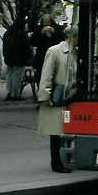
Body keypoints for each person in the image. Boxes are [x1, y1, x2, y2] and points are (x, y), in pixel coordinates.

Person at [38, 26, 78, 173]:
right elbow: (47, 74)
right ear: (71, 37)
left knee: (64, 130)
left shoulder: (74, 52)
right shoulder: (55, 51)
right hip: (56, 94)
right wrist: (45, 95)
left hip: (68, 95)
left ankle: (64, 160)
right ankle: (56, 162)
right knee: (55, 131)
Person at [3, 19, 32, 100]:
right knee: (17, 77)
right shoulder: (22, 34)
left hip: (9, 59)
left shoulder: (7, 33)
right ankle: (15, 94)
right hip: (19, 60)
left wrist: (6, 56)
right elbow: (26, 48)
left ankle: (9, 93)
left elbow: (4, 46)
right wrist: (28, 58)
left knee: (9, 76)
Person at [30, 15, 63, 86]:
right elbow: (32, 42)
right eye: (45, 22)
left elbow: (61, 40)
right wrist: (41, 33)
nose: (46, 24)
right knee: (41, 75)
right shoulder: (38, 29)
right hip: (41, 57)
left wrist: (54, 33)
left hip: (54, 56)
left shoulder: (56, 29)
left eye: (48, 22)